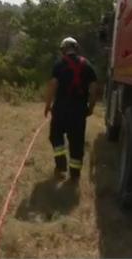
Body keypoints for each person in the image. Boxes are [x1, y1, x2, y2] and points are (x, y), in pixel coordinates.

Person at [44, 37, 97, 182]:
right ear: (76, 48)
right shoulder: (88, 65)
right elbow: (93, 89)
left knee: (55, 136)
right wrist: (90, 107)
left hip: (60, 109)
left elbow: (52, 86)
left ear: (63, 49)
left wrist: (48, 105)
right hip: (79, 111)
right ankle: (75, 175)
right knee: (77, 142)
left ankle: (60, 167)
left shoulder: (58, 65)